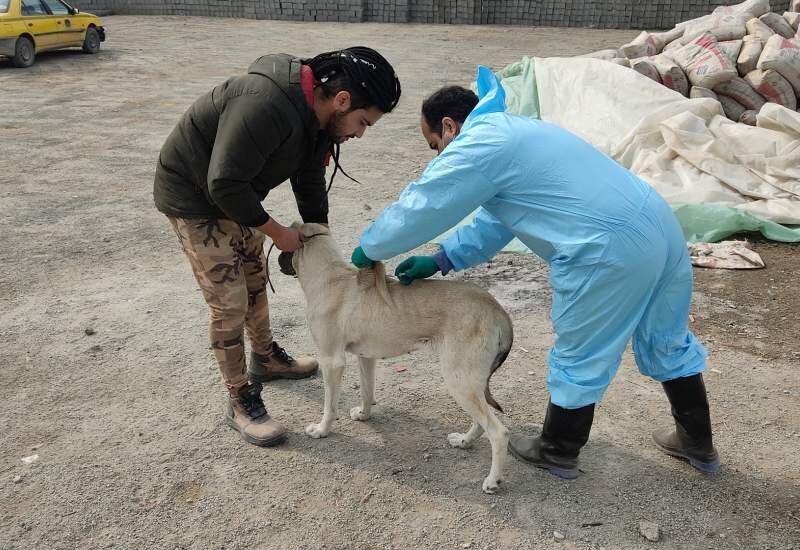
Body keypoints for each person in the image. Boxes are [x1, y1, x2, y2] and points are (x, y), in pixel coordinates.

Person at [349, 67, 719, 478]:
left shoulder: (479, 143)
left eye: (436, 145)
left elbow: (425, 203)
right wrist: (444, 259)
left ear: (450, 126)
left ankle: (558, 447)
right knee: (667, 338)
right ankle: (696, 441)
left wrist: (372, 246)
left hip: (607, 247)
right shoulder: (517, 132)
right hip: (660, 228)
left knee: (581, 350)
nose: (439, 155)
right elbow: (505, 218)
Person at [154, 47, 401, 447]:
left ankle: (266, 358)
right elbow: (223, 183)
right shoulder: (265, 104)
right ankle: (239, 398)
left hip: (235, 191)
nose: (359, 133)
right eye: (362, 122)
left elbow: (307, 178)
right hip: (196, 197)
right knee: (229, 300)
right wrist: (276, 232)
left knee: (255, 278)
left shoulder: (317, 119)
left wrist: (319, 232)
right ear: (342, 101)